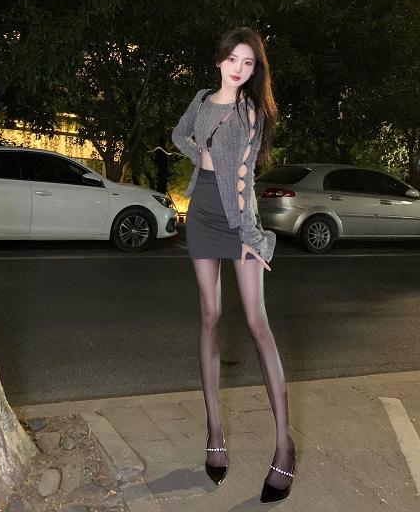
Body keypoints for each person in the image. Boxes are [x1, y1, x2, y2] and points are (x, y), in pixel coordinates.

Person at [172, 28, 296, 503]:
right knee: (210, 315)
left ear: (254, 69)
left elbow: (243, 180)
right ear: (219, 60)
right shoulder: (202, 100)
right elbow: (180, 134)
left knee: (257, 322)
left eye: (249, 62)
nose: (240, 68)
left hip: (236, 216)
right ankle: (214, 432)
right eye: (233, 59)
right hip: (201, 212)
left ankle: (284, 446)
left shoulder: (251, 113)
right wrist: (200, 154)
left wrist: (251, 237)